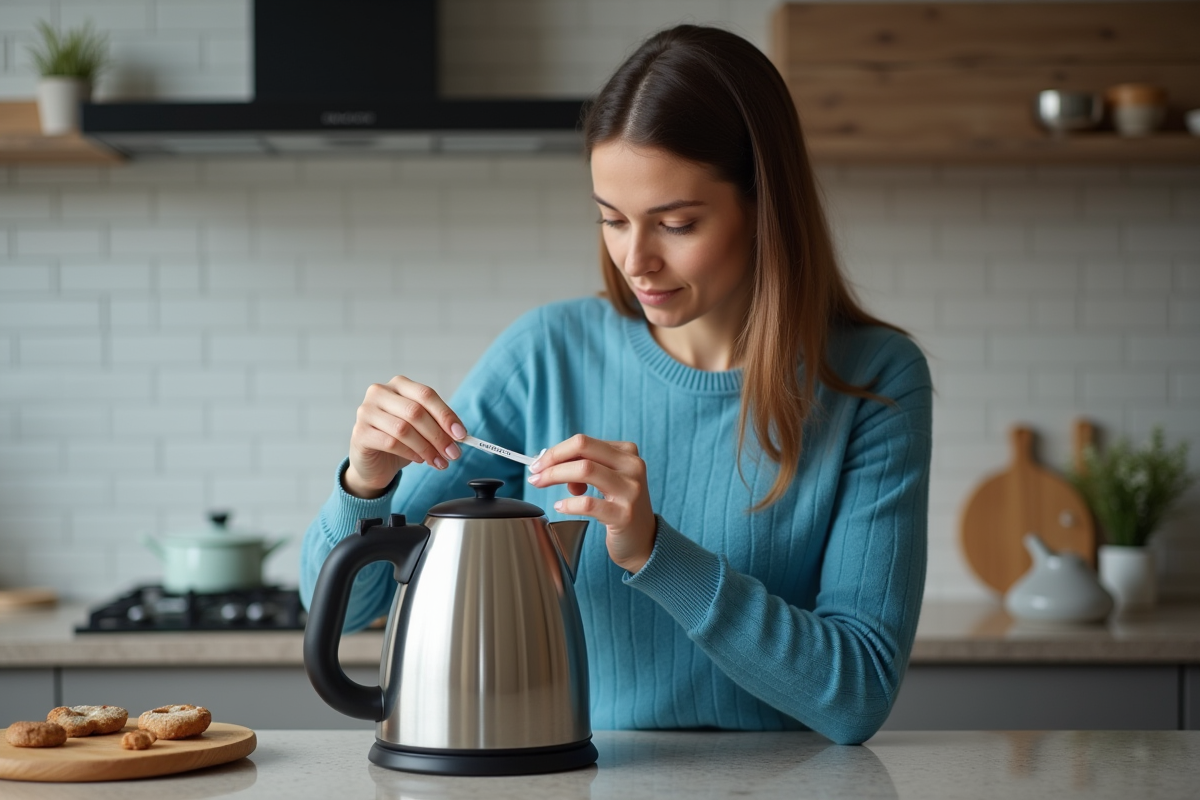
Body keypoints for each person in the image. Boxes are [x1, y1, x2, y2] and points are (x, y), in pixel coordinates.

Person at [300, 24, 931, 746]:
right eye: (612, 219)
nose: (637, 260)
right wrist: (368, 481)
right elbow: (346, 611)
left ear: (764, 205)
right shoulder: (544, 354)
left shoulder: (874, 381)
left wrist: (656, 550)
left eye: (677, 223)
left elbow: (857, 696)